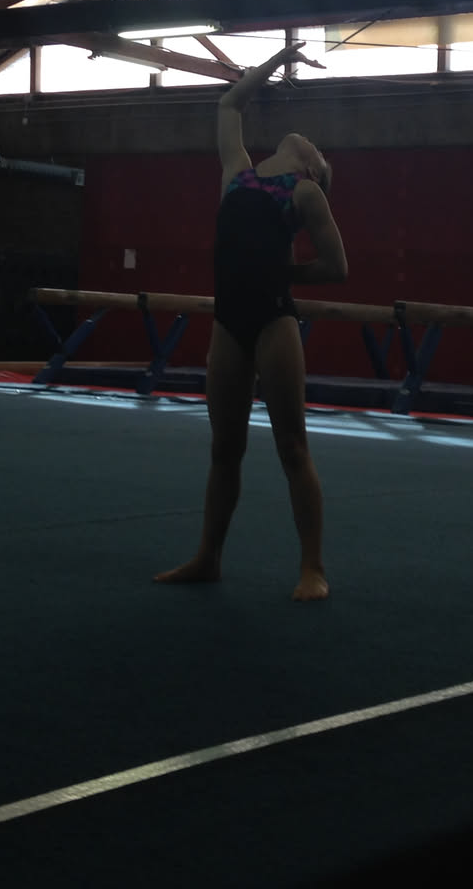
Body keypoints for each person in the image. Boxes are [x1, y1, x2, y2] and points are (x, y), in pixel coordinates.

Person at [156, 44, 347, 602]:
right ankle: (208, 557)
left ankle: (312, 567)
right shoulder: (236, 173)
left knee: (292, 446)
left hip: (272, 322)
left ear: (312, 168)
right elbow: (229, 104)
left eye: (318, 150)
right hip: (228, 322)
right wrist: (273, 64)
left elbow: (337, 267)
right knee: (224, 449)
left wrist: (283, 272)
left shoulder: (304, 193)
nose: (309, 139)